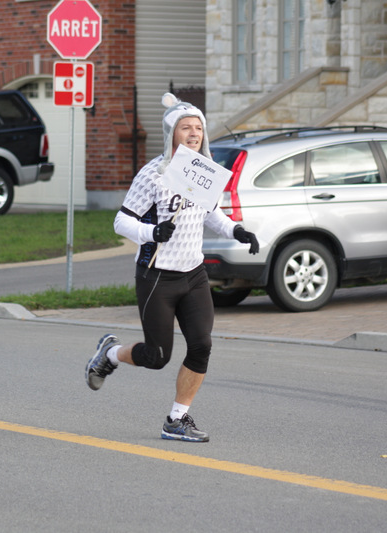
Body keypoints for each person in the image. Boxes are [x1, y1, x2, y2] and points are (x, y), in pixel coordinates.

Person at [85, 93, 259, 442]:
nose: (194, 133)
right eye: (185, 127)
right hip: (157, 275)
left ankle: (176, 419)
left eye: (198, 128)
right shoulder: (154, 173)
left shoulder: (203, 171)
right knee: (157, 356)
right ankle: (110, 354)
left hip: (193, 274)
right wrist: (152, 232)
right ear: (171, 134)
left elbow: (211, 213)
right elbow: (121, 221)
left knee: (201, 345)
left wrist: (236, 231)